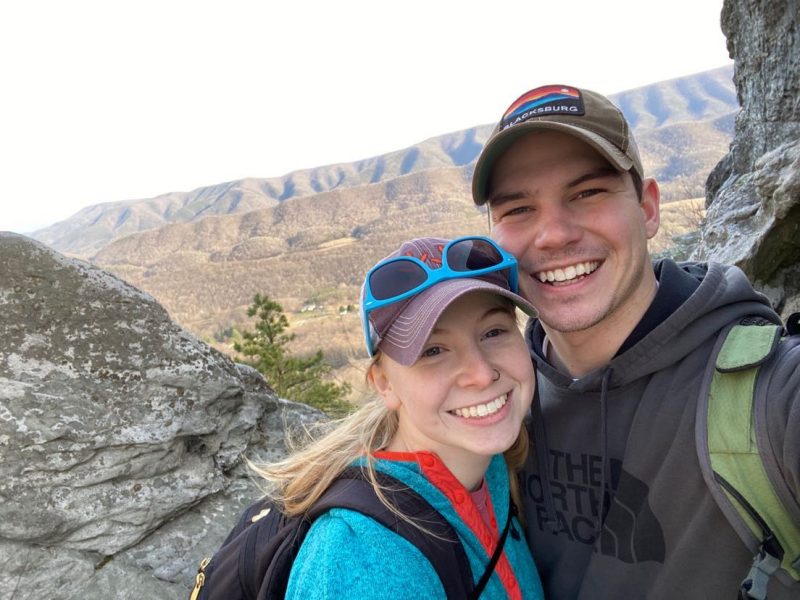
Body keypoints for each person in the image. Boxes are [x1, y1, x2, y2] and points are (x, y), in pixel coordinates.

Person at [471, 84, 800, 598]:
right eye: (517, 210)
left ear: (648, 209)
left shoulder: (768, 397)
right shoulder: (493, 399)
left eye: (587, 193)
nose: (553, 235)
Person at [254, 236, 545, 599]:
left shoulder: (493, 474)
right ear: (384, 383)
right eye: (434, 351)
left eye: (494, 332)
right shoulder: (361, 557)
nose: (482, 374)